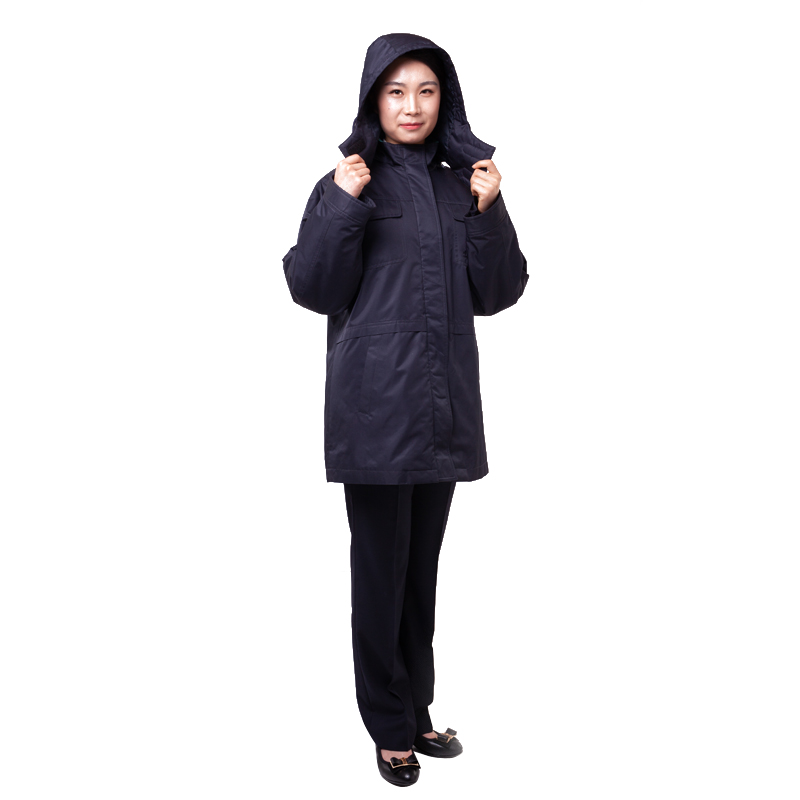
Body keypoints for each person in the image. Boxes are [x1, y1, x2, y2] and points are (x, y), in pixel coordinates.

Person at [282, 32, 528, 787]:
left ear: (443, 99)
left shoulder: (464, 188)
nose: (411, 105)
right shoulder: (347, 181)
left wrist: (489, 210)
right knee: (380, 579)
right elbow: (311, 287)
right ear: (374, 101)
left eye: (425, 90)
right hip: (375, 413)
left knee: (420, 576)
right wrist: (342, 202)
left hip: (442, 410)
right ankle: (388, 727)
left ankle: (416, 709)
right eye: (395, 91)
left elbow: (499, 291)